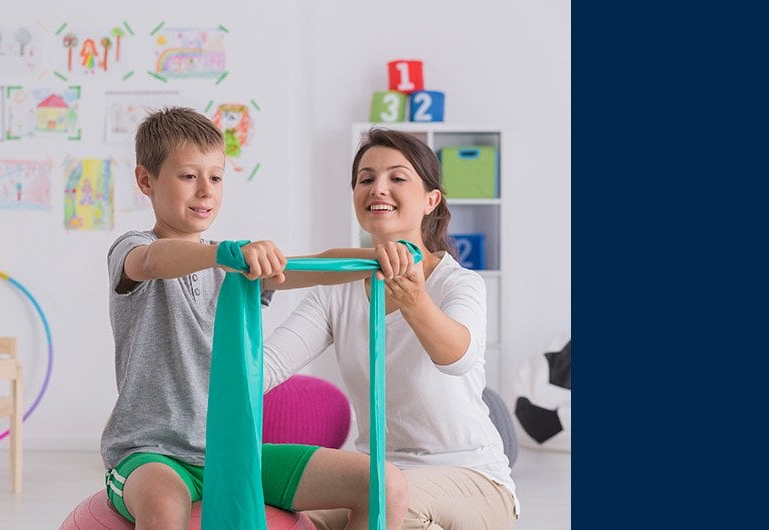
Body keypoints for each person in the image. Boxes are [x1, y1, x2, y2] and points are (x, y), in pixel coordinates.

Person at [101, 107, 406, 530]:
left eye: (216, 177)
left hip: (235, 451)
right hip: (152, 453)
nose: (206, 191)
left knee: (383, 484)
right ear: (146, 180)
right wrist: (226, 254)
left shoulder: (234, 267)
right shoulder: (133, 249)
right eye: (189, 176)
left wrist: (375, 256)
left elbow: (309, 264)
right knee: (162, 499)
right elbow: (153, 262)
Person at [264, 128, 518, 530]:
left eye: (397, 178)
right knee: (282, 519)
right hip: (376, 474)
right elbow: (268, 365)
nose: (378, 188)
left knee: (390, 511)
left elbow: (457, 357)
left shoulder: (458, 283)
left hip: (471, 477)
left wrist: (416, 299)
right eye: (366, 179)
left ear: (431, 200)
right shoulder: (339, 289)